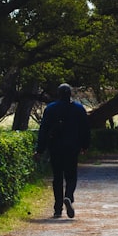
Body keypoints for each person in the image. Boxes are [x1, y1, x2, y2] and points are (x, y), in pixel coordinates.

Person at [34, 83, 90, 218]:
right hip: (72, 147)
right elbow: (85, 129)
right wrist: (85, 145)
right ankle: (69, 197)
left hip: (55, 147)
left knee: (57, 177)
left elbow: (44, 130)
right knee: (71, 176)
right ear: (70, 94)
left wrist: (40, 150)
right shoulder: (79, 108)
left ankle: (57, 208)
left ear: (58, 94)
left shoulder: (51, 108)